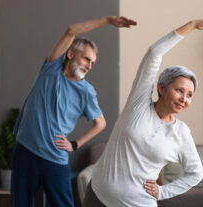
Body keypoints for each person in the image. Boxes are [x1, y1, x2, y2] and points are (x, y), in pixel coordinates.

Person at [83, 19, 203, 207]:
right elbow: (154, 52)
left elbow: (195, 173)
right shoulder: (138, 105)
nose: (184, 98)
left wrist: (162, 192)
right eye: (179, 90)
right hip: (97, 197)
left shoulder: (181, 133)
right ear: (161, 88)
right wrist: (192, 25)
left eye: (189, 95)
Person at [11, 16, 137, 207]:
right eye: (86, 58)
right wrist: (108, 20)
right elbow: (71, 30)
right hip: (25, 150)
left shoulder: (86, 92)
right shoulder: (50, 69)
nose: (89, 65)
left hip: (53, 158)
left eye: (92, 63)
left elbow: (100, 123)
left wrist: (75, 144)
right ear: (70, 54)